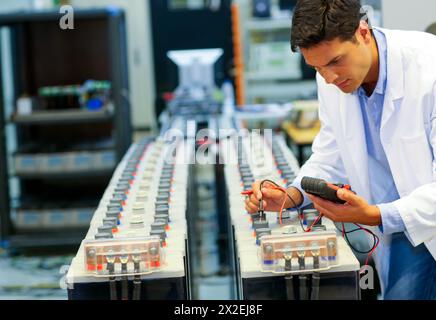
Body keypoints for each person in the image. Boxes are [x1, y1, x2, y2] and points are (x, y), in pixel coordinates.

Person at [245, 0, 436, 299]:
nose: (329, 78)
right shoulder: (331, 79)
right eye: (317, 68)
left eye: (335, 62)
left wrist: (373, 214)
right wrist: (292, 196)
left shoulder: (429, 68)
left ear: (362, 31)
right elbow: (330, 155)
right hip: (389, 226)